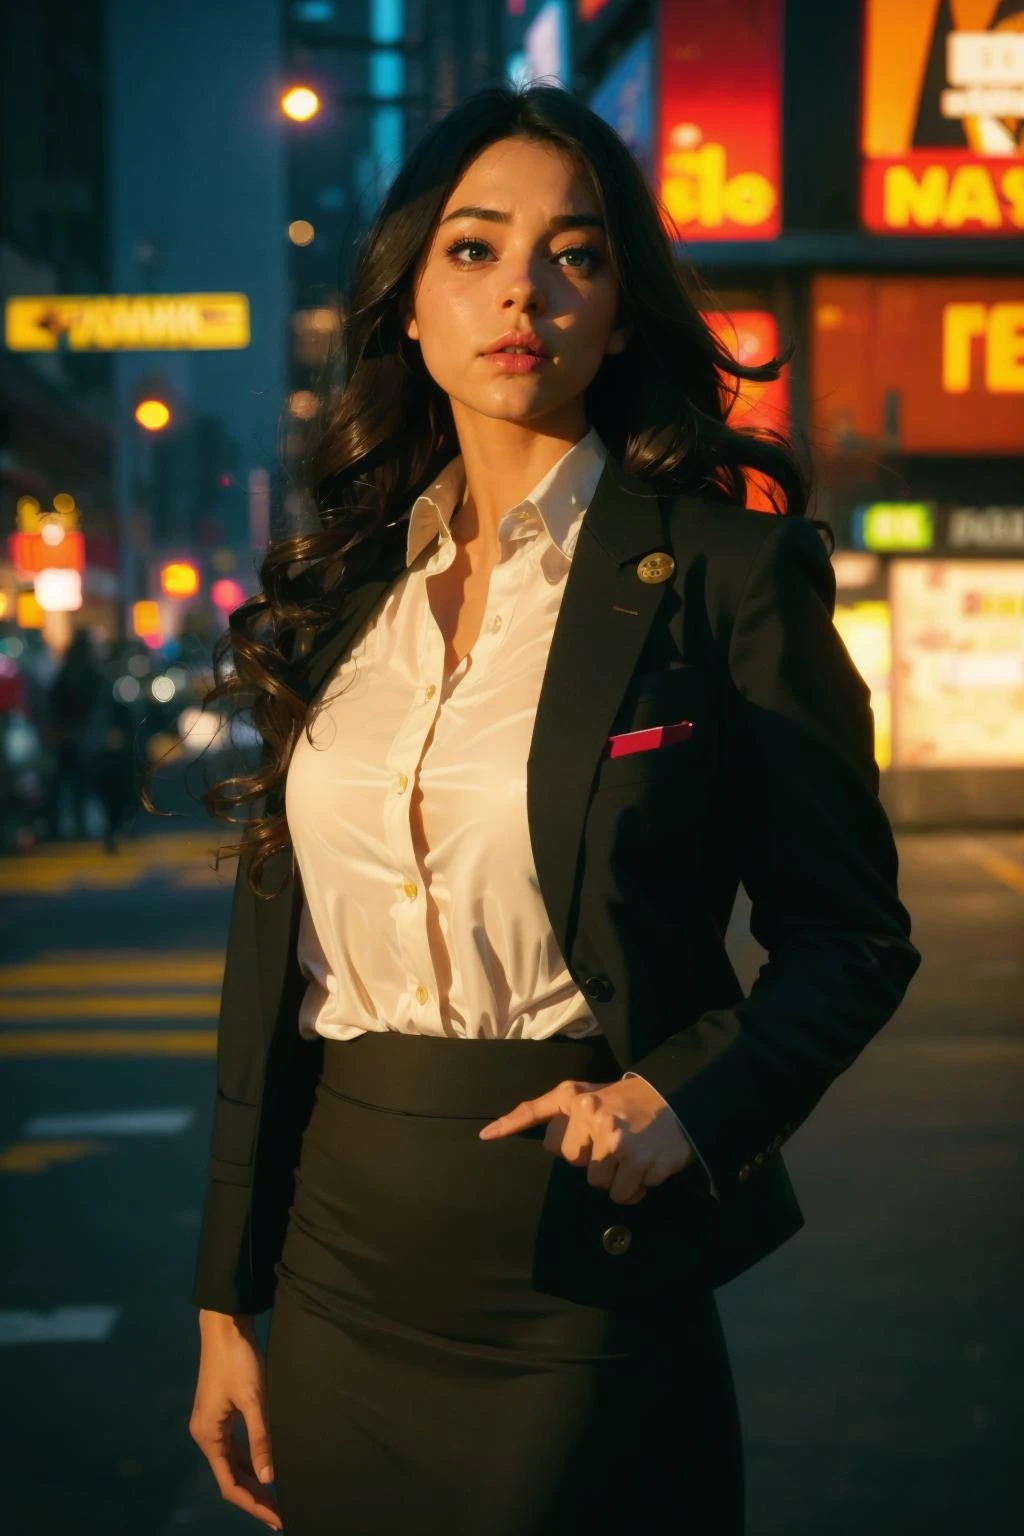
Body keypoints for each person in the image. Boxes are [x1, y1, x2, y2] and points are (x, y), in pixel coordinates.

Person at [186, 84, 920, 1536]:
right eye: (473, 249)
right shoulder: (341, 596)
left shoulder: (722, 576)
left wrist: (678, 1102)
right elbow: (269, 981)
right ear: (406, 304)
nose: (523, 289)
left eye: (575, 254)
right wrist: (224, 1298)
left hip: (584, 1262)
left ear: (623, 312)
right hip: (337, 1268)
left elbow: (853, 937)